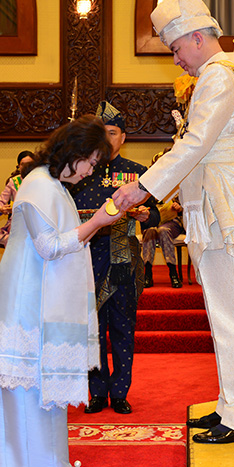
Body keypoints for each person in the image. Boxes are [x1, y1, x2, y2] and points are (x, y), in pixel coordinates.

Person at [112, 0, 234, 444]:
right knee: (223, 314)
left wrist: (143, 187)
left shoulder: (219, 77)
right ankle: (230, 406)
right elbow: (194, 150)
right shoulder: (214, 77)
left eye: (176, 48)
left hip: (228, 210)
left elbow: (195, 145)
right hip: (215, 208)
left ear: (197, 37)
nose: (176, 58)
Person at [0, 115, 122, 467]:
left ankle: (51, 460)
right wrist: (99, 221)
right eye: (90, 161)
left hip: (40, 293)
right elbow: (51, 246)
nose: (89, 171)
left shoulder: (51, 184)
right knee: (30, 382)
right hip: (28, 296)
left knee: (45, 381)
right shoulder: (39, 185)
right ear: (74, 152)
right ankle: (33, 466)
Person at [72, 102, 159, 415]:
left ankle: (120, 392)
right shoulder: (80, 172)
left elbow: (155, 215)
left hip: (123, 257)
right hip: (86, 257)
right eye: (101, 134)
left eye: (111, 133)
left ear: (123, 137)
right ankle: (96, 392)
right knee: (91, 328)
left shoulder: (137, 174)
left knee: (123, 326)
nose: (106, 139)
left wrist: (147, 214)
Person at [142, 148, 185, 289]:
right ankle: (147, 274)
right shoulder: (148, 184)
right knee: (149, 232)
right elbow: (143, 205)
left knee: (163, 231)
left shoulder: (180, 182)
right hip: (153, 222)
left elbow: (189, 204)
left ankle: (173, 274)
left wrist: (179, 207)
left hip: (173, 222)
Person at [0, 151, 33, 247]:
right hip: (17, 222)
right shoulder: (13, 182)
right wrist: (1, 209)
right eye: (23, 164)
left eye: (29, 164)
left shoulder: (41, 181)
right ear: (18, 166)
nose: (26, 167)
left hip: (35, 222)